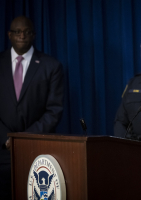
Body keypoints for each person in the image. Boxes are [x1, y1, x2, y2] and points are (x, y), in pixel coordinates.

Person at [0, 16, 64, 199]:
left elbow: (54, 110)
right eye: (17, 32)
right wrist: (6, 138)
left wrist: (24, 139)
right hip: (2, 150)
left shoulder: (51, 66)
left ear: (34, 35)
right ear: (9, 34)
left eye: (27, 32)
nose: (22, 36)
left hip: (36, 152)